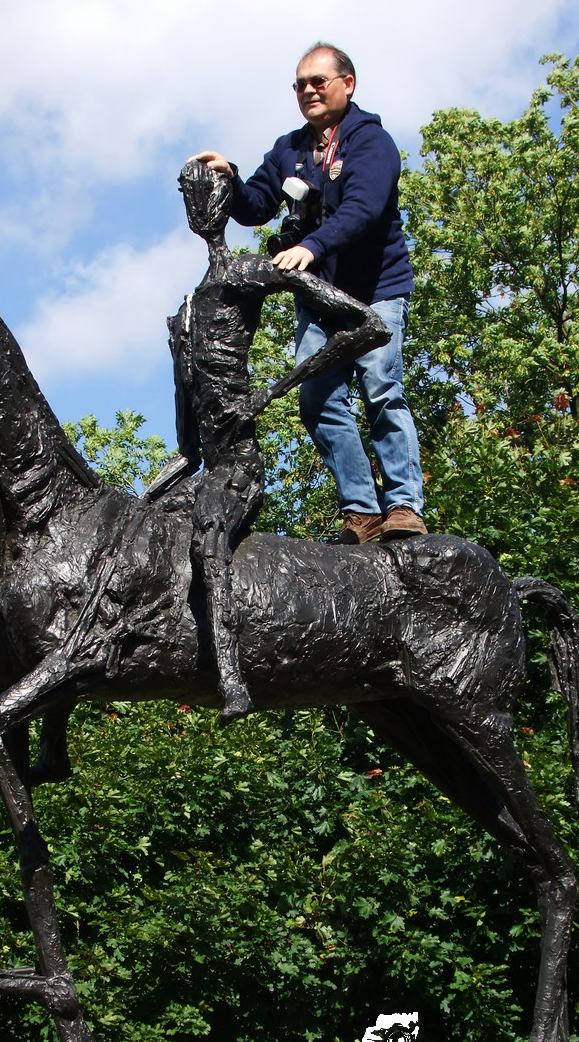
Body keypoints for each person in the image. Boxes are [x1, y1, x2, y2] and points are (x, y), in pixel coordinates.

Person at [151, 159, 389, 721]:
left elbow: (369, 326)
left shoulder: (247, 273)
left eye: (211, 192)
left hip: (238, 469)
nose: (201, 205)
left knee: (209, 533)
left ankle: (232, 679)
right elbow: (187, 451)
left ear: (227, 201)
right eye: (191, 195)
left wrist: (271, 393)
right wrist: (142, 496)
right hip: (208, 467)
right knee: (136, 531)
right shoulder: (185, 314)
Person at [194, 42, 426, 544]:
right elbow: (256, 205)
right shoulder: (291, 149)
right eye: (300, 84)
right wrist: (230, 178)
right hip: (319, 297)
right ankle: (362, 512)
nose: (308, 91)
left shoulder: (372, 143)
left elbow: (363, 209)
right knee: (317, 398)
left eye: (319, 81)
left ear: (348, 84)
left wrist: (311, 247)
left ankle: (404, 505)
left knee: (381, 389)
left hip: (376, 292)